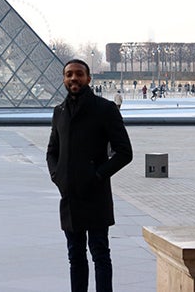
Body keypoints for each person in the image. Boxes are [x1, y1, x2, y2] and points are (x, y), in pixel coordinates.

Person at [46, 59, 133, 292]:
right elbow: (52, 151)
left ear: (88, 78)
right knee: (75, 256)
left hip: (96, 194)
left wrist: (98, 176)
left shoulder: (105, 109)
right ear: (64, 79)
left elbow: (125, 152)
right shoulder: (59, 112)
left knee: (100, 254)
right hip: (70, 195)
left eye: (79, 74)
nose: (74, 78)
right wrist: (58, 176)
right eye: (69, 74)